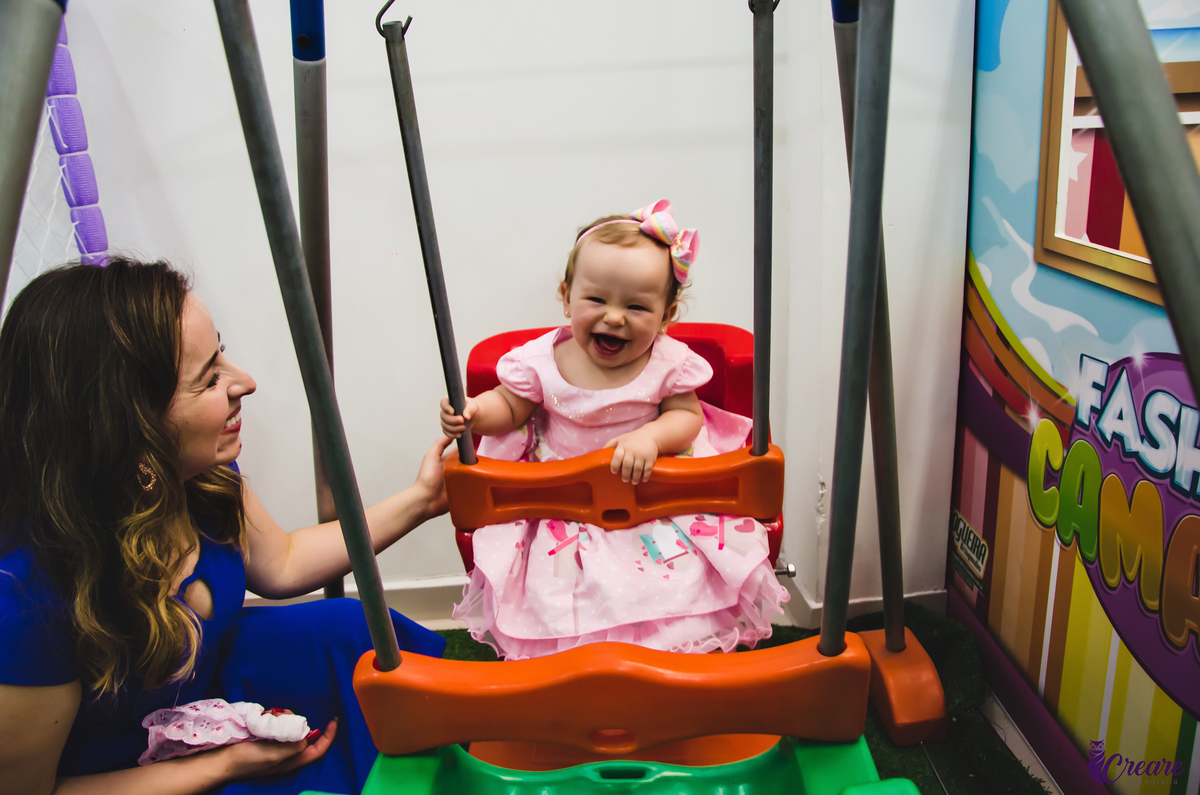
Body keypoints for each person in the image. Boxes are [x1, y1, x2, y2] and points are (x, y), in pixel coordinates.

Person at [0, 259, 450, 795]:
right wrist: (224, 766)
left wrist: (422, 500)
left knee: (348, 632)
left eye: (223, 354)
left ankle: (464, 736)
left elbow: (281, 561)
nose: (246, 382)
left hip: (203, 704)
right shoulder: (25, 600)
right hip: (126, 776)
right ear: (129, 427)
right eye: (209, 378)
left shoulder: (201, 477)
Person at [440, 200, 788, 660]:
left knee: (672, 581)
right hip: (563, 503)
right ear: (566, 297)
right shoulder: (542, 361)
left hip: (651, 500)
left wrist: (652, 438)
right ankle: (576, 667)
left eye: (638, 306)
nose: (615, 317)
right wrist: (475, 413)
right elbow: (510, 404)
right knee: (561, 588)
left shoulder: (667, 363)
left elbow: (688, 418)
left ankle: (666, 659)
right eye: (597, 299)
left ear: (667, 316)